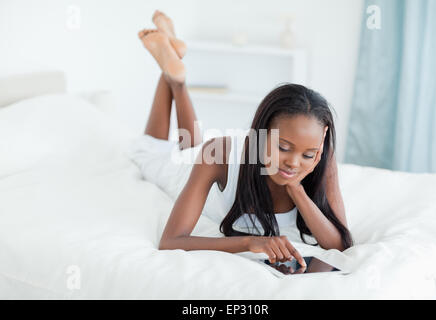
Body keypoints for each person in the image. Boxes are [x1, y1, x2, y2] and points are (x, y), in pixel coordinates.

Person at [130, 10, 353, 267]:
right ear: (261, 132)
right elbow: (171, 241)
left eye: (307, 154)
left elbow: (340, 245)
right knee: (151, 150)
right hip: (185, 171)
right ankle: (172, 74)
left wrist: (295, 188)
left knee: (192, 144)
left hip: (202, 155)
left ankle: (176, 70)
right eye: (283, 147)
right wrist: (249, 243)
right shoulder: (222, 152)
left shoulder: (320, 157)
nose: (294, 162)